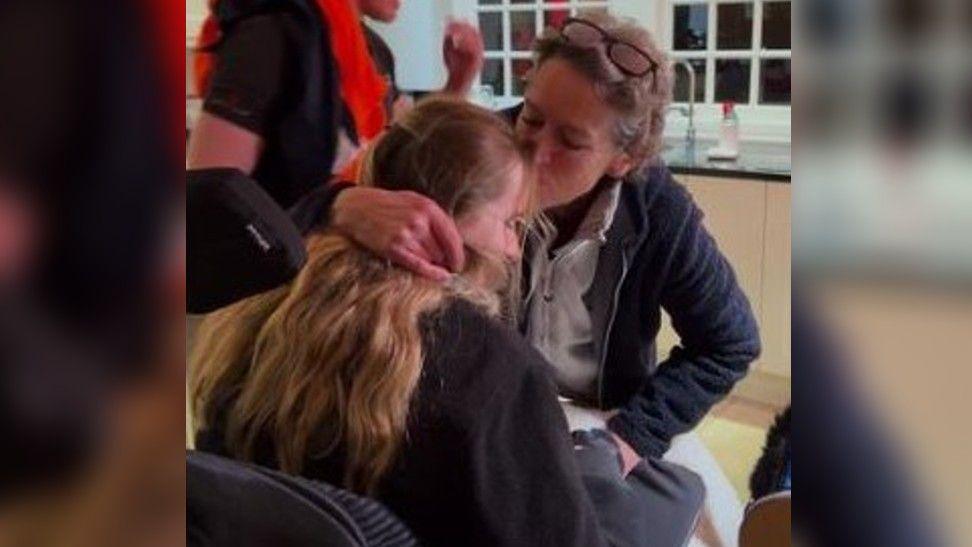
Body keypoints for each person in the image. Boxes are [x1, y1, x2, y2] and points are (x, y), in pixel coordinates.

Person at [190, 98, 700, 547]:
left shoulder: (252, 314)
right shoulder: (488, 371)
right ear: (439, 218)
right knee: (680, 489)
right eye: (511, 224)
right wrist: (598, 468)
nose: (512, 248)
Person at [315, 11, 761, 499]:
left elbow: (730, 342)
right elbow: (394, 169)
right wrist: (339, 203)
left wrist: (634, 434)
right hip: (480, 412)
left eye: (570, 142)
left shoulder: (660, 214)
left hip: (606, 418)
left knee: (712, 511)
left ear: (623, 160)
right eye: (530, 117)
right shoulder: (488, 153)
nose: (532, 150)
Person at [187, 0, 483, 209]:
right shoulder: (269, 34)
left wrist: (457, 82)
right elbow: (209, 200)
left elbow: (395, 149)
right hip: (273, 288)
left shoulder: (373, 53)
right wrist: (334, 210)